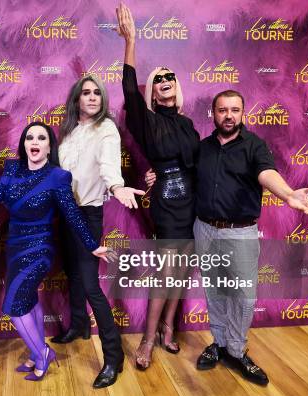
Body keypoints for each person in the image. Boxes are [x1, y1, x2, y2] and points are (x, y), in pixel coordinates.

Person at [0, 122, 114, 383]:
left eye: (41, 138)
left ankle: (42, 352)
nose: (34, 142)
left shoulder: (58, 176)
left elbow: (72, 215)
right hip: (14, 249)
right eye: (29, 137)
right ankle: (38, 355)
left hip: (39, 250)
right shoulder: (12, 170)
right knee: (29, 301)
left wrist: (92, 245)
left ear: (49, 146)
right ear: (24, 144)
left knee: (13, 307)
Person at [193, 89, 308, 385]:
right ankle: (220, 344)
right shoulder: (203, 147)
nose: (228, 115)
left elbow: (267, 173)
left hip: (240, 234)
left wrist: (288, 193)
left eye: (234, 110)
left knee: (243, 297)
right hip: (205, 229)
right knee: (215, 290)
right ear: (213, 114)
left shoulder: (254, 146)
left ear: (242, 113)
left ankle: (237, 351)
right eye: (222, 110)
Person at [116, 2, 201, 370]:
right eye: (159, 80)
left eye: (171, 79)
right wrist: (131, 40)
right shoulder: (146, 121)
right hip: (166, 205)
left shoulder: (187, 124)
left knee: (181, 271)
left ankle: (169, 328)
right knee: (167, 272)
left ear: (177, 88)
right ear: (152, 92)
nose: (166, 83)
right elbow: (127, 89)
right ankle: (148, 340)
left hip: (193, 204)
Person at [51, 74, 144, 387]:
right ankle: (78, 325)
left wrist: (117, 186)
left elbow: (107, 165)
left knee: (91, 285)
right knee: (73, 273)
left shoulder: (106, 128)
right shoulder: (67, 132)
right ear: (76, 98)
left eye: (97, 93)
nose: (92, 98)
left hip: (88, 214)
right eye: (86, 93)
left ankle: (113, 356)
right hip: (64, 214)